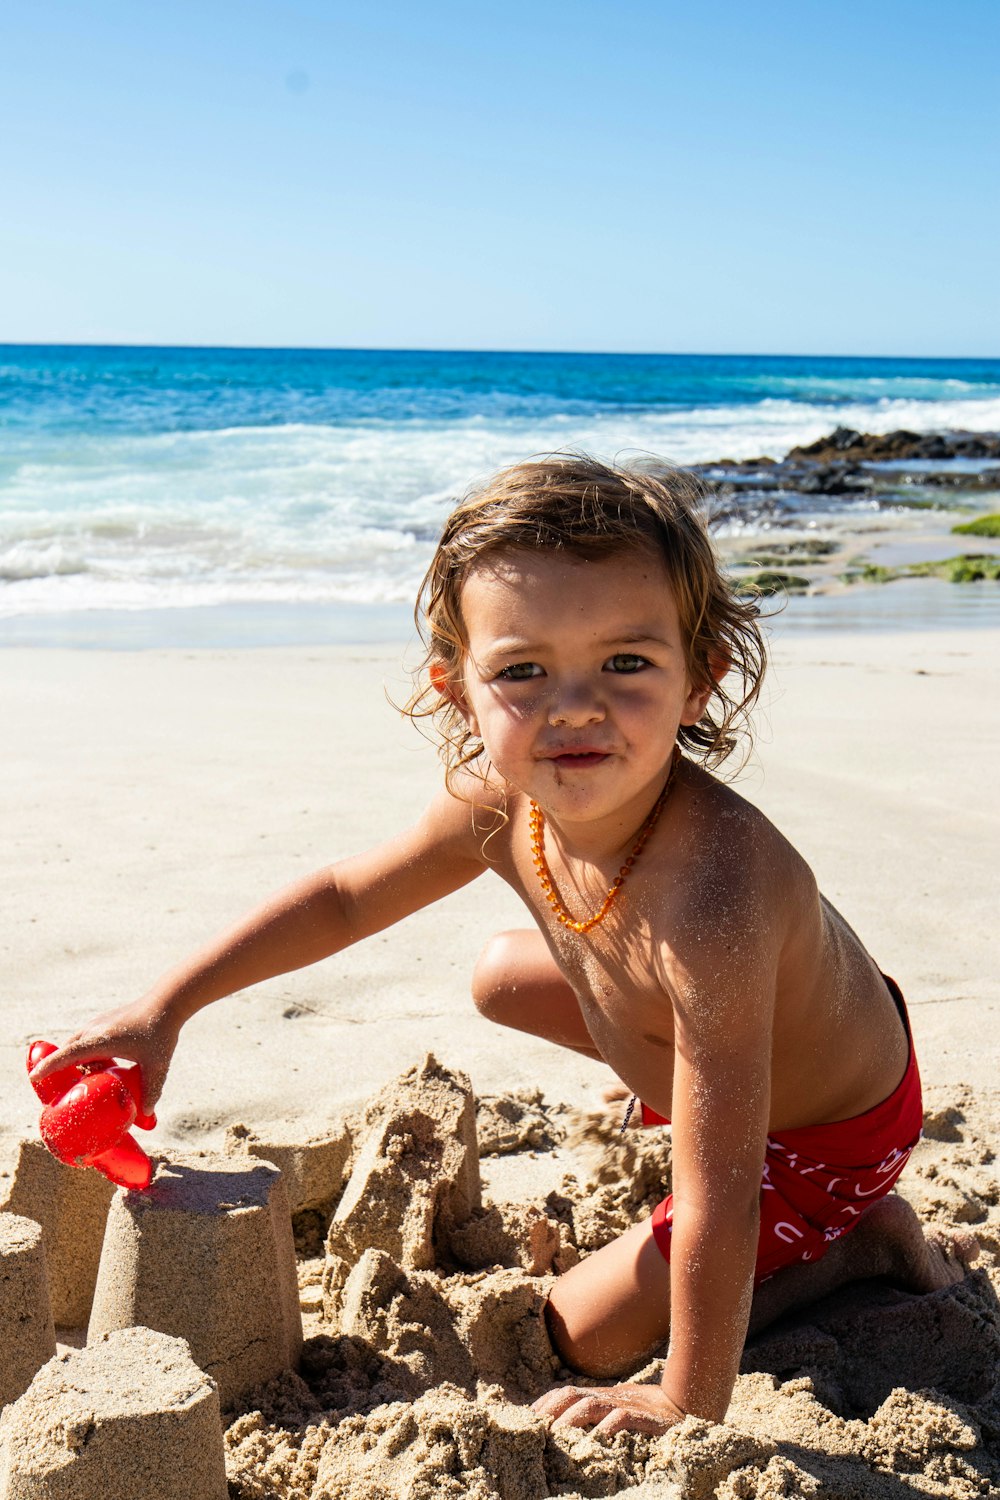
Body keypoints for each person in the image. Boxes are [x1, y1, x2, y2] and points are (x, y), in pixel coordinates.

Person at [31, 455, 977, 1437]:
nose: (573, 706)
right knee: (497, 977)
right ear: (458, 689)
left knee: (578, 1333)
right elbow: (346, 898)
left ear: (700, 680)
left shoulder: (715, 897)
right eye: (524, 671)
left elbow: (721, 1201)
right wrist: (165, 1008)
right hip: (774, 1022)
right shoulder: (500, 801)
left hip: (828, 1132)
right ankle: (681, 1067)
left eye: (625, 664)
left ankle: (860, 1245)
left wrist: (680, 1398)